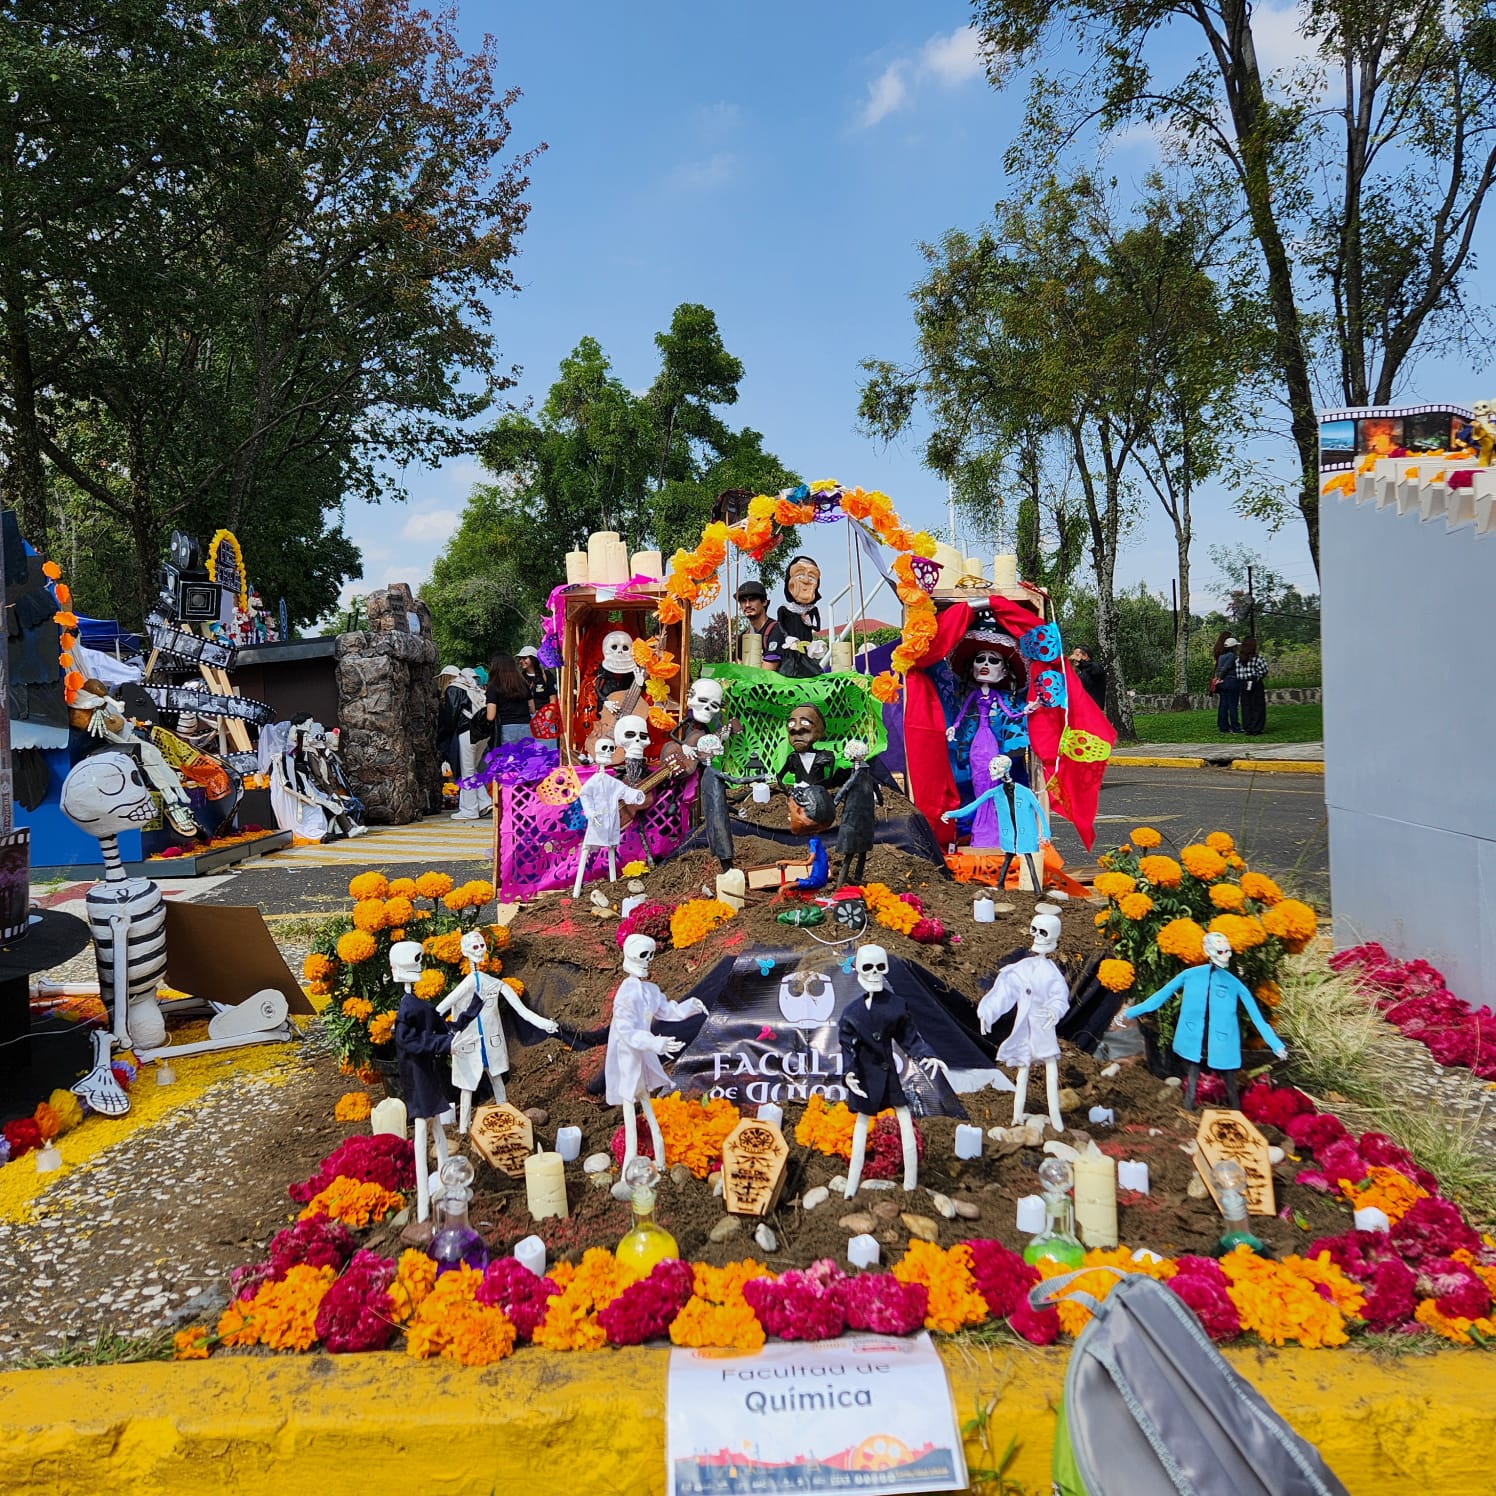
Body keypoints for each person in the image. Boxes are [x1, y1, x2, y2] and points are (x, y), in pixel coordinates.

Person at [735, 579, 785, 670]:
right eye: (743, 601)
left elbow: (767, 670)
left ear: (764, 602)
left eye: (752, 599)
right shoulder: (742, 637)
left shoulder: (777, 630)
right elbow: (735, 668)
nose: (747, 605)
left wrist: (743, 667)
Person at [1237, 637, 1268, 736]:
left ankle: (1248, 727)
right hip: (1255, 683)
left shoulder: (1239, 660)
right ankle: (1257, 728)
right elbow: (1264, 670)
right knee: (1258, 705)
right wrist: (1257, 675)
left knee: (1246, 706)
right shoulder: (1258, 658)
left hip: (1243, 683)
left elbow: (1238, 674)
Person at [1212, 634, 1242, 735]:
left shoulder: (1221, 656)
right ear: (1233, 647)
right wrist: (1221, 677)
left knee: (1223, 705)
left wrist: (1218, 679)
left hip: (1222, 684)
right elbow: (1226, 667)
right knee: (1233, 705)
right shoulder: (1232, 656)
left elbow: (1219, 668)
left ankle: (1223, 726)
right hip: (1231, 681)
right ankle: (1235, 727)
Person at [1068, 644, 1106, 710]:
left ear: (1085, 656)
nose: (1074, 658)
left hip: (1094, 709)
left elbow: (1096, 670)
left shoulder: (1094, 667)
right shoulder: (1083, 672)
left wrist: (1080, 662)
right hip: (1085, 709)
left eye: (1077, 655)